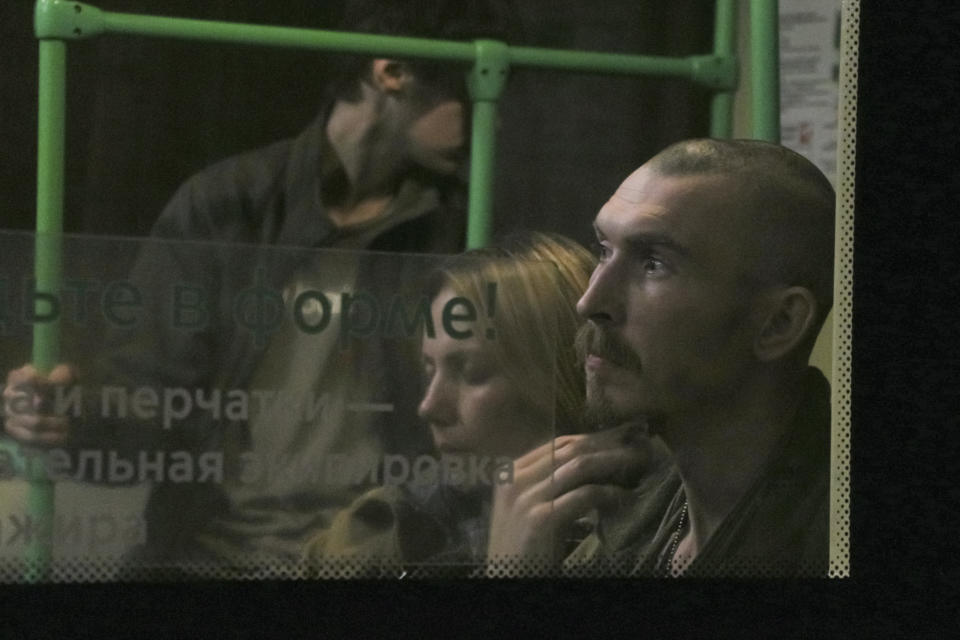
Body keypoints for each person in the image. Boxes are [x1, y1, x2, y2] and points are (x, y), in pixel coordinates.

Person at [2, 0, 518, 575]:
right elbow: (147, 397)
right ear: (392, 72)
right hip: (211, 554)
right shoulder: (226, 205)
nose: (490, 121)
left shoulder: (454, 227)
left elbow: (474, 420)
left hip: (373, 558)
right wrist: (66, 418)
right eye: (469, 95)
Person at [488, 138, 835, 577]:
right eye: (604, 251)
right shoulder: (634, 512)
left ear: (778, 323)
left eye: (653, 263)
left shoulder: (832, 540)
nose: (590, 301)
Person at [302, 232, 600, 576]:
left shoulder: (637, 539)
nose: (429, 407)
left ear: (561, 378)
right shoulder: (388, 526)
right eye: (429, 369)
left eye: (471, 371)